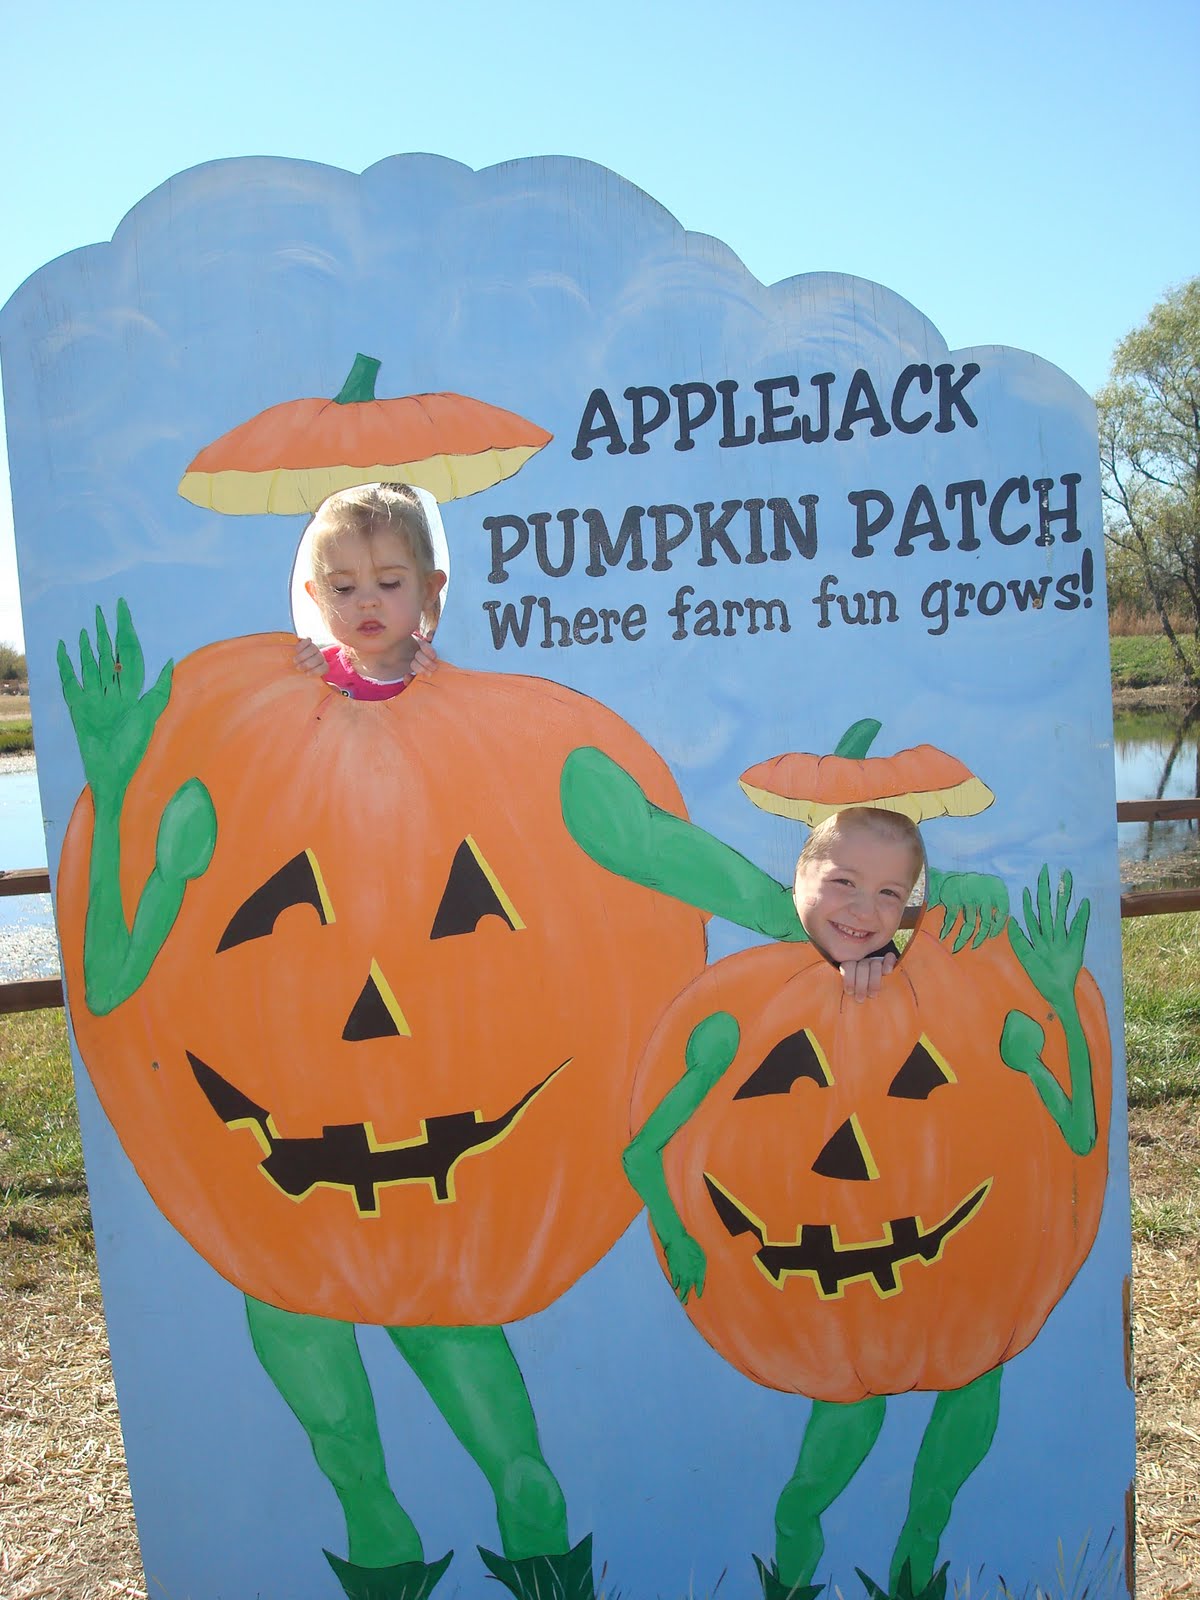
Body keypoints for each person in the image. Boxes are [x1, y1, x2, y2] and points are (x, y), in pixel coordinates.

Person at [294, 482, 445, 697]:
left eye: (389, 583)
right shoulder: (316, 675)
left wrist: (444, 686)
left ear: (429, 589)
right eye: (343, 588)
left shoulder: (448, 665)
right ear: (318, 597)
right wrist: (298, 689)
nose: (367, 601)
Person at [791, 805, 924, 1003]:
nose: (864, 912)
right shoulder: (753, 939)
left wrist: (884, 980)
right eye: (844, 882)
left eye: (889, 892)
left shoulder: (886, 963)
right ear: (795, 877)